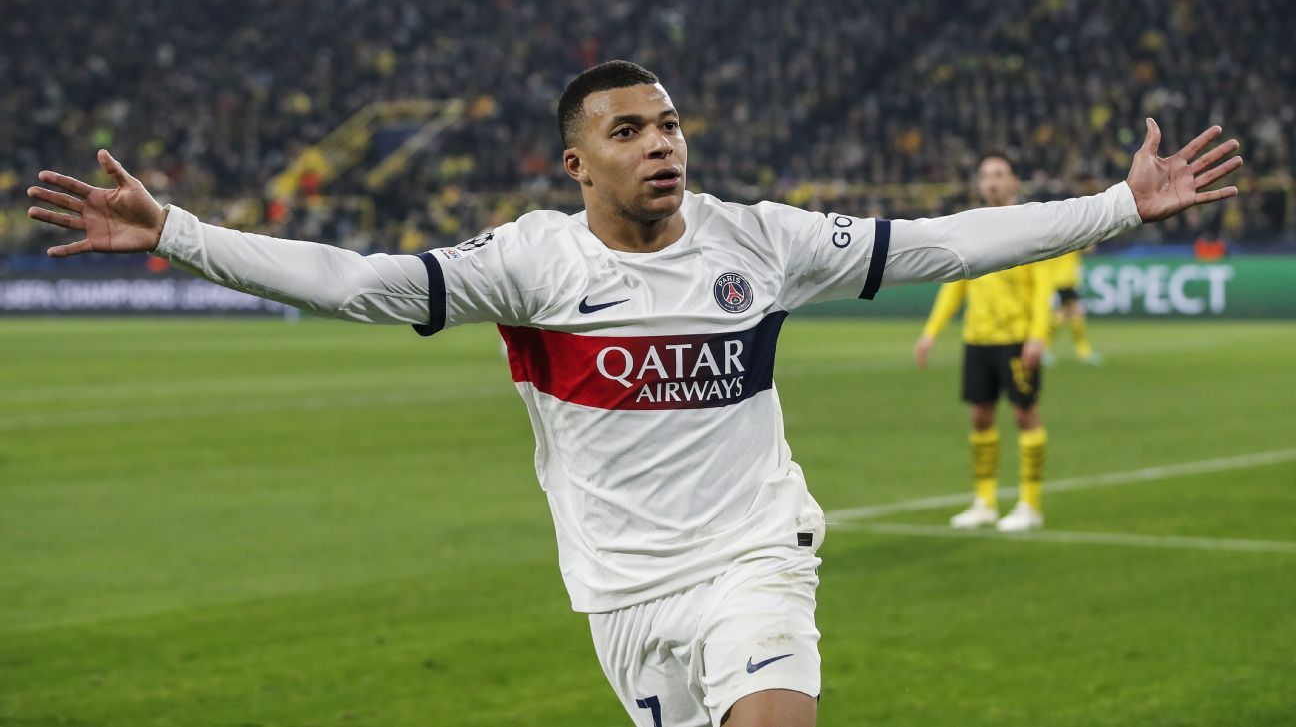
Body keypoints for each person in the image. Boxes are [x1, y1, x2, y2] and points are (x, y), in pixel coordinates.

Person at [27, 60, 1241, 727]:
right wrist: (177, 232)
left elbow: (943, 243)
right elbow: (354, 283)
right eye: (629, 131)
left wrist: (1119, 205)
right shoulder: (531, 265)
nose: (662, 144)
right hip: (621, 594)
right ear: (577, 162)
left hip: (756, 556)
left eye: (669, 124)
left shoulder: (758, 240)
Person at [914, 153, 1057, 533]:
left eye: (999, 174)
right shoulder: (971, 227)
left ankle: (1030, 504)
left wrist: (1038, 335)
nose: (991, 181)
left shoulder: (1030, 226)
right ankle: (985, 501)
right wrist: (931, 332)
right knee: (980, 416)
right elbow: (955, 286)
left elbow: (1043, 286)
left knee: (1025, 415)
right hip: (977, 338)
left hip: (1016, 340)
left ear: (1013, 181)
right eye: (985, 175)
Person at [1044, 246, 1102, 365]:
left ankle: (1082, 351)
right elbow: (1089, 250)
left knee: (1068, 313)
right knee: (1073, 312)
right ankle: (1083, 351)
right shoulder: (1069, 239)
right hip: (1065, 279)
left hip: (1062, 279)